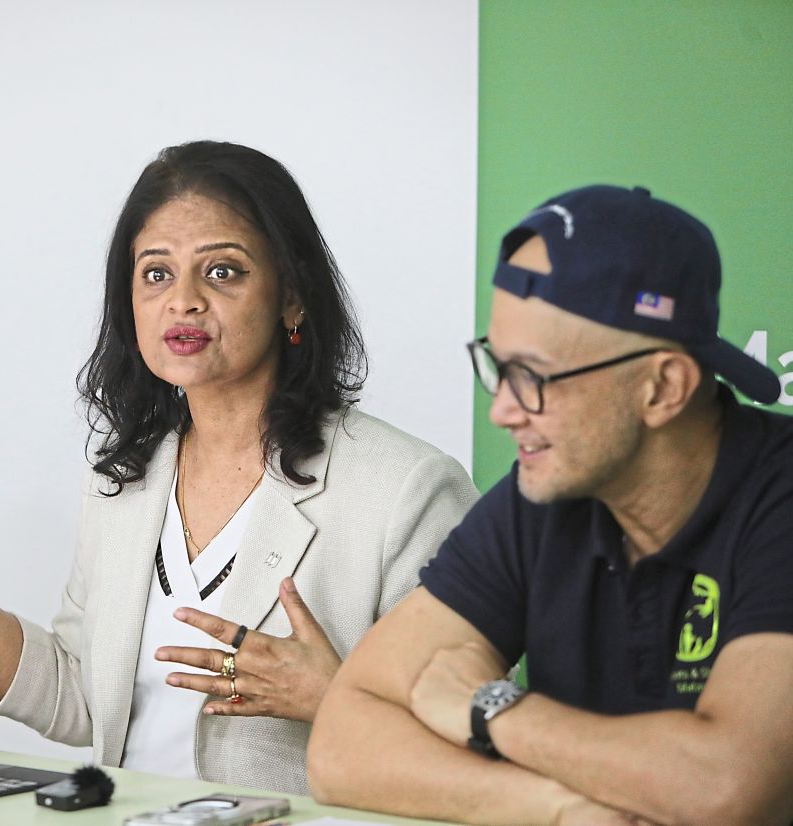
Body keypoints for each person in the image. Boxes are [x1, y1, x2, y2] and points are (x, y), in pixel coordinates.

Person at [0, 141, 478, 794]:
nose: (184, 301)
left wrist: (337, 697)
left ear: (292, 297)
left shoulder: (408, 490)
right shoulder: (122, 480)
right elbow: (83, 701)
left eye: (223, 271)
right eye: (156, 274)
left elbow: (469, 743)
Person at [308, 185, 793, 824]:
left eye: (533, 377)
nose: (502, 410)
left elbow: (725, 787)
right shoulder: (545, 493)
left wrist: (493, 709)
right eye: (497, 366)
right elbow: (342, 745)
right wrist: (558, 809)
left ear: (663, 387)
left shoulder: (778, 495)